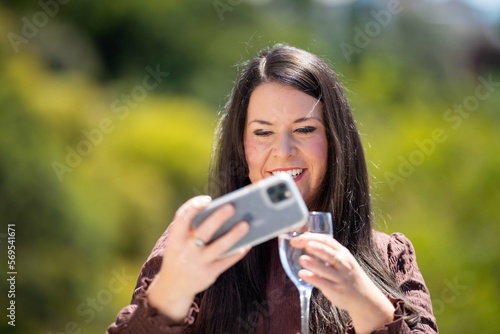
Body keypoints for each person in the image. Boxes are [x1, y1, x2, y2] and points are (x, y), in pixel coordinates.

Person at [106, 44, 438, 334]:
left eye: (305, 129)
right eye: (263, 133)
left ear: (337, 142)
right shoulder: (199, 245)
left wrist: (366, 302)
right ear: (241, 147)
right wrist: (172, 291)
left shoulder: (391, 257)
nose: (283, 150)